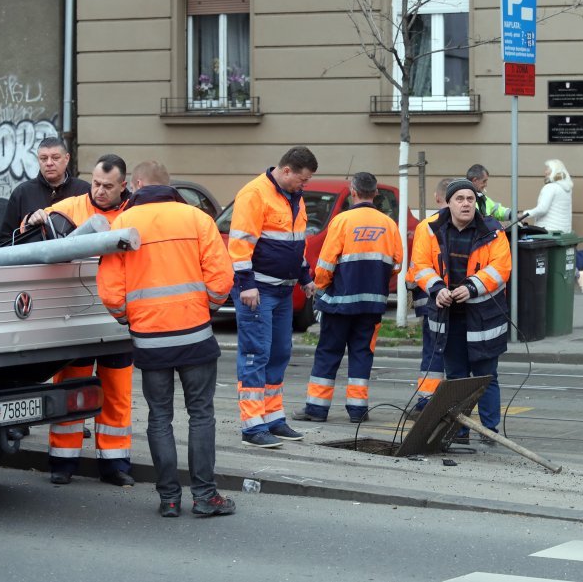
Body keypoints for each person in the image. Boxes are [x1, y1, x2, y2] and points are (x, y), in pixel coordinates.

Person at [97, 160, 236, 518]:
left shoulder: (123, 224)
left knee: (160, 418)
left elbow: (111, 292)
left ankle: (169, 499)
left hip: (150, 338)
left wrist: (131, 318)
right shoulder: (197, 219)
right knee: (201, 415)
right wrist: (204, 309)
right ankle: (205, 497)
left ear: (138, 184)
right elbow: (221, 279)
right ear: (168, 185)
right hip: (195, 333)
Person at [24, 154, 136, 487]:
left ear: (123, 186)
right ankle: (62, 460)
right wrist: (31, 220)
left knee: (117, 392)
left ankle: (115, 464)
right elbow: (29, 237)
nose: (99, 191)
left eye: (108, 186)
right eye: (96, 184)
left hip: (117, 318)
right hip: (75, 317)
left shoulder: (135, 213)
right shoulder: (72, 206)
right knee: (70, 388)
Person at [291, 172, 402, 423]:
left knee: (329, 352)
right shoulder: (389, 224)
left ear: (353, 191)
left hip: (339, 304)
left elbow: (326, 264)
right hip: (372, 303)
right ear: (375, 194)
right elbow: (396, 264)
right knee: (363, 354)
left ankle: (317, 409)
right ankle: (357, 410)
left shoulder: (342, 221)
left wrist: (320, 287)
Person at [410, 179, 512, 444]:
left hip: (484, 316)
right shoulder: (429, 228)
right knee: (455, 377)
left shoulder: (493, 231)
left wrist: (472, 287)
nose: (466, 203)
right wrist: (436, 289)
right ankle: (459, 430)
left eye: (470, 199)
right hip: (448, 315)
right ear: (449, 202)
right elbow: (420, 265)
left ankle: (490, 431)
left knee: (485, 376)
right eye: (460, 199)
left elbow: (501, 268)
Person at [229, 146, 318, 448]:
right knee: (256, 352)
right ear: (287, 170)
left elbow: (297, 243)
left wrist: (305, 277)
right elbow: (240, 243)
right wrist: (246, 284)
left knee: (279, 352)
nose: (303, 186)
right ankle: (252, 426)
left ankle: (272, 418)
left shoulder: (294, 197)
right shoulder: (255, 194)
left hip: (282, 288)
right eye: (301, 180)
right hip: (259, 290)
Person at [404, 177, 451, 415]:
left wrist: (410, 290)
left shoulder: (427, 225)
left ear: (437, 197)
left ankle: (426, 402)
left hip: (430, 298)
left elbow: (417, 267)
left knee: (433, 350)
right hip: (454, 298)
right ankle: (450, 401)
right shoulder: (467, 222)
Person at [0, 136, 90, 247]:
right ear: (38, 160)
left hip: (77, 262)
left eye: (55, 158)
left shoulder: (84, 191)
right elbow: (3, 242)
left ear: (66, 158)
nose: (49, 163)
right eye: (44, 158)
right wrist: (28, 225)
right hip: (33, 262)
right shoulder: (22, 193)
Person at [522, 159, 574, 233]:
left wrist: (524, 214)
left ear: (554, 171)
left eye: (547, 169)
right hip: (564, 231)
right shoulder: (566, 189)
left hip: (549, 230)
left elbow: (542, 209)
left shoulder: (550, 187)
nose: (545, 172)